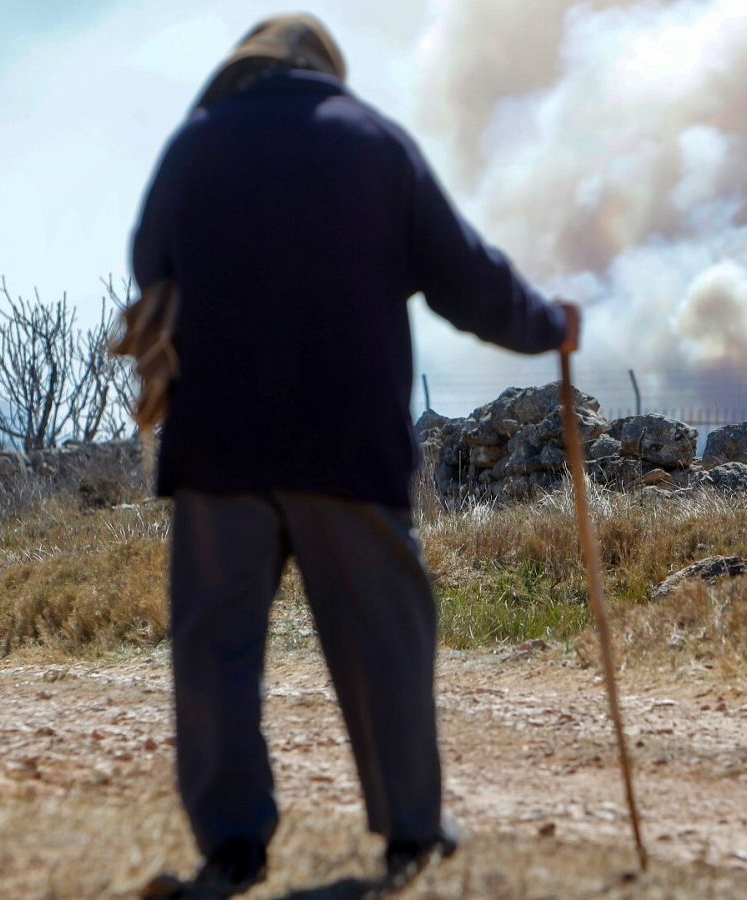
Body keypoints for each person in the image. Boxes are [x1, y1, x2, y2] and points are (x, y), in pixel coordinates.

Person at [131, 14, 579, 897]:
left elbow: (149, 261)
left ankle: (231, 846)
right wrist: (546, 325)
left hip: (217, 444)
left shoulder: (194, 144)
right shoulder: (376, 143)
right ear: (325, 69)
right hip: (346, 440)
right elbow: (467, 278)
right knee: (386, 643)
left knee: (216, 652)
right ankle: (411, 831)